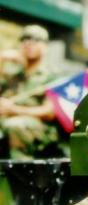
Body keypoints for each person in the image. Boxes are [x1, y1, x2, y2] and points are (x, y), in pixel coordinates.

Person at [0, 24, 63, 159]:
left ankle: (19, 174)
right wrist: (2, 59)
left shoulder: (52, 76)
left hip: (40, 129)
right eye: (24, 39)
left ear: (45, 47)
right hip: (7, 122)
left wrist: (13, 109)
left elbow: (50, 112)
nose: (28, 43)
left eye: (35, 39)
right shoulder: (13, 75)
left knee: (16, 125)